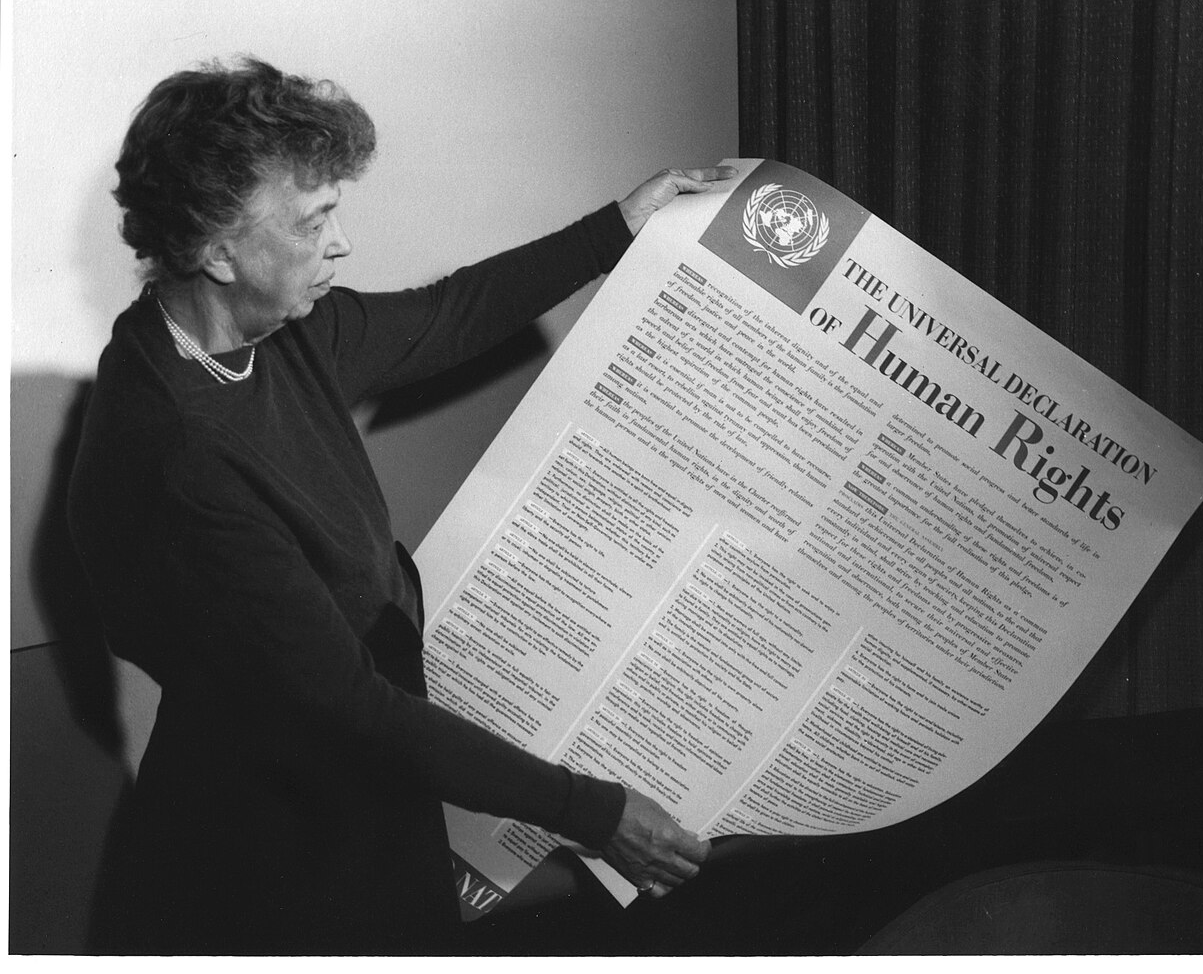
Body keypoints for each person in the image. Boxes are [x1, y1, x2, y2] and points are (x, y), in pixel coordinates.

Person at [67, 56, 735, 955]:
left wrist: (621, 223)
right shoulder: (180, 448)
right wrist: (596, 811)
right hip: (275, 860)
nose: (340, 241)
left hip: (358, 802)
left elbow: (448, 313)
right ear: (216, 249)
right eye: (313, 220)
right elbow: (346, 705)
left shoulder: (279, 333)